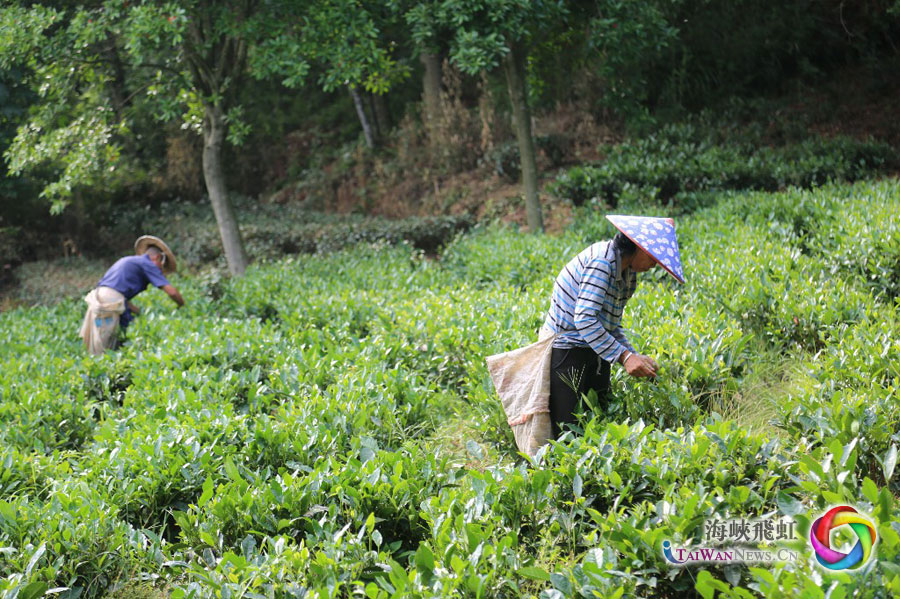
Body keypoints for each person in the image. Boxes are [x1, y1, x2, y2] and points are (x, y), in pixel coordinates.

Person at [542, 215, 684, 437]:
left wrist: (635, 356)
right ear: (639, 248)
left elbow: (610, 325)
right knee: (568, 432)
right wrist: (626, 357)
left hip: (595, 348)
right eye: (653, 257)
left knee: (598, 420)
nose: (655, 264)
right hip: (566, 350)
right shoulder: (602, 263)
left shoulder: (628, 275)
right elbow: (585, 319)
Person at [79, 235, 185, 355]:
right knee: (104, 340)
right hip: (108, 303)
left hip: (100, 297)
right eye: (162, 265)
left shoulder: (129, 261)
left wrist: (139, 312)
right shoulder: (147, 263)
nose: (161, 270)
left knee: (97, 337)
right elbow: (172, 292)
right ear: (157, 258)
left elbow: (119, 296)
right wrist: (183, 306)